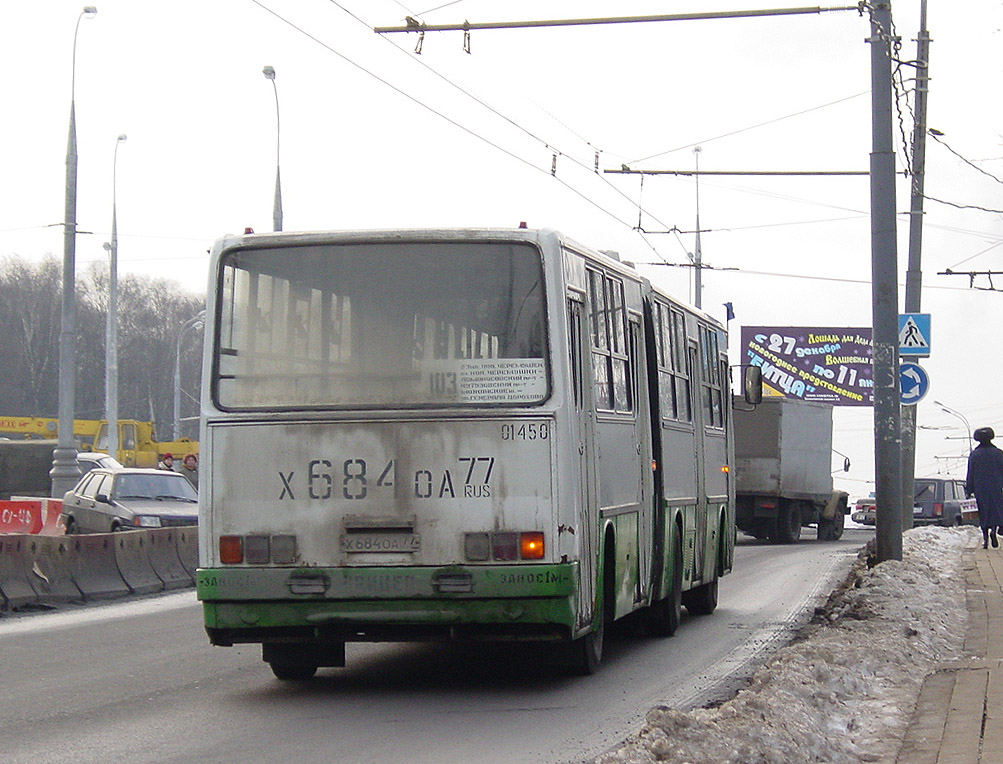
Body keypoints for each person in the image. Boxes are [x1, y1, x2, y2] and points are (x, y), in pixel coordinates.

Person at [966, 427, 1003, 549]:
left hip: (980, 488)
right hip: (996, 487)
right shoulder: (998, 453)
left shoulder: (974, 455)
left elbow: (970, 473)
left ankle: (985, 539)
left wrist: (969, 489)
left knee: (984, 512)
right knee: (996, 509)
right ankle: (994, 530)